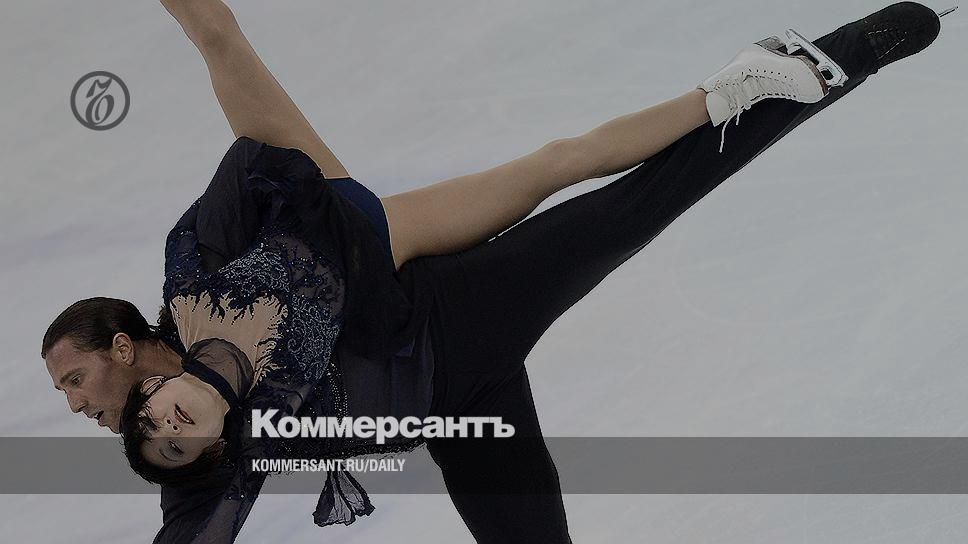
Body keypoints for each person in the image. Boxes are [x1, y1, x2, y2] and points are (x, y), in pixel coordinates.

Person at [40, 1, 947, 542]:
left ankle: (836, 57)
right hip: (458, 407)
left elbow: (253, 151)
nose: (77, 405)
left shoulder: (207, 287)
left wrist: (330, 237)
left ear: (123, 348)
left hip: (448, 309)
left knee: (619, 197)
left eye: (75, 379)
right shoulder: (189, 450)